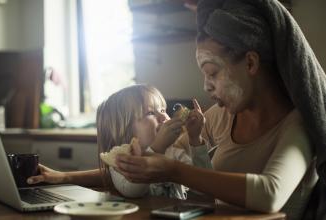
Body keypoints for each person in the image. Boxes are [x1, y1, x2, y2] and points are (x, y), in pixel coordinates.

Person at [115, 0, 325, 219]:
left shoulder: (299, 123)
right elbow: (163, 154)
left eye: (212, 73)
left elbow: (270, 194)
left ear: (250, 63)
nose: (206, 86)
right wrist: (78, 177)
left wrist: (174, 171)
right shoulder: (223, 115)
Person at [28, 84, 195, 198]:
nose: (163, 116)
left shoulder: (175, 151)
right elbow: (132, 191)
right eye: (150, 113)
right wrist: (157, 148)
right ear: (126, 131)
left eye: (163, 110)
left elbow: (201, 187)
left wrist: (196, 140)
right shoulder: (121, 159)